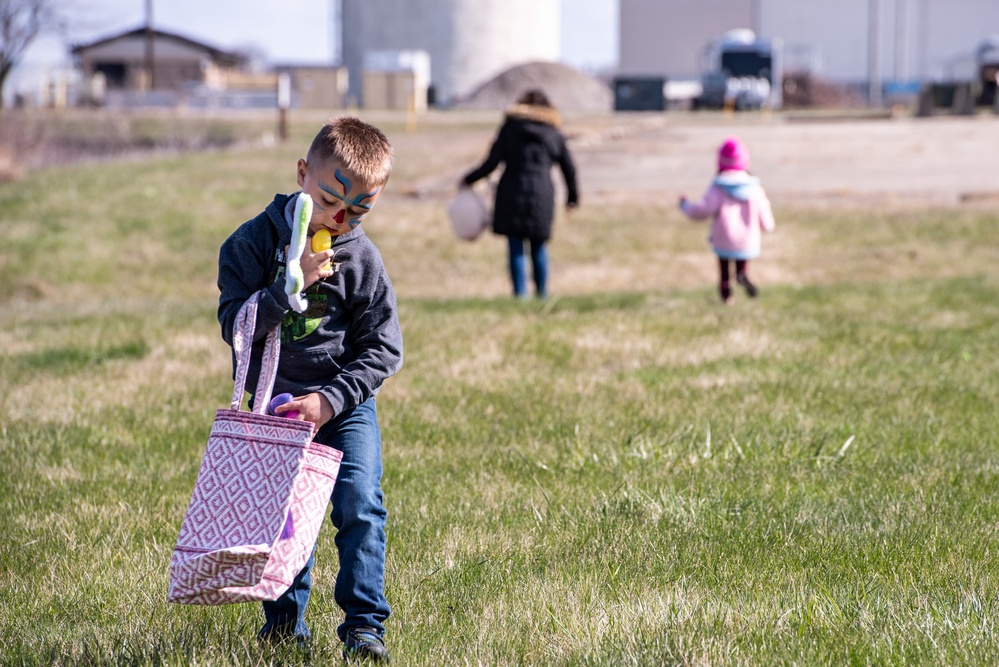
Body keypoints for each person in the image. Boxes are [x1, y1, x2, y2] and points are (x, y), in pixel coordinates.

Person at [217, 116, 403, 663]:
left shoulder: (361, 258)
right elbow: (237, 327)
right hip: (277, 404)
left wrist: (331, 400)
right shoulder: (252, 243)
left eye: (359, 210)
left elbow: (384, 348)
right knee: (287, 520)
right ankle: (283, 628)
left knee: (361, 504)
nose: (341, 219)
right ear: (302, 173)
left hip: (343, 406)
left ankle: (365, 628)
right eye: (329, 201)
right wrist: (288, 285)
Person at [460, 89, 579, 298]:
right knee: (538, 246)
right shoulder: (553, 132)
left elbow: (491, 163)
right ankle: (543, 294)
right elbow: (569, 168)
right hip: (542, 193)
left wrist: (468, 179)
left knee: (516, 246)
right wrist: (573, 198)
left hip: (511, 191)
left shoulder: (510, 128)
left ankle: (520, 296)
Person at [678, 135, 775, 304]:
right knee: (740, 266)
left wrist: (686, 206)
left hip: (723, 238)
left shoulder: (718, 187)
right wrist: (768, 226)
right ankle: (742, 275)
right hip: (747, 239)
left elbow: (703, 209)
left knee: (724, 272)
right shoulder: (754, 187)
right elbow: (763, 209)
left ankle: (727, 298)